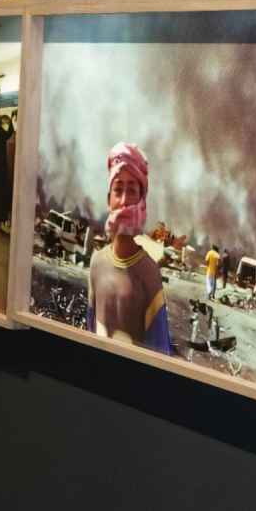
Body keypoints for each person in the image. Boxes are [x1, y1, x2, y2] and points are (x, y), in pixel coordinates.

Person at [85, 143, 172, 355]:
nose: (124, 201)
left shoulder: (149, 274)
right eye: (118, 189)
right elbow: (89, 331)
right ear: (109, 200)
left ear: (142, 203)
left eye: (132, 191)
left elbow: (160, 356)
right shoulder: (97, 263)